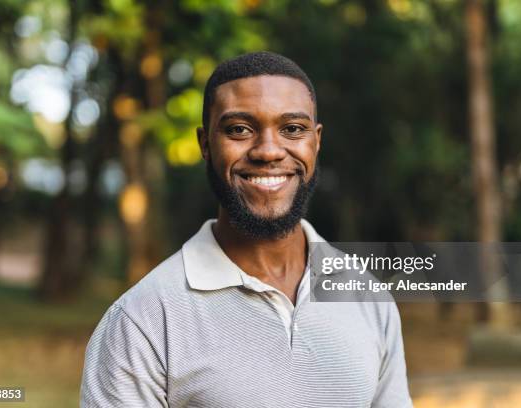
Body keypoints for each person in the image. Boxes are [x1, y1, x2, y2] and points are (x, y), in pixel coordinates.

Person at [80, 51, 413, 407]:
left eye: (292, 129)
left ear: (316, 142)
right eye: (239, 129)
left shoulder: (368, 297)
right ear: (205, 144)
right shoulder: (141, 320)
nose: (268, 151)